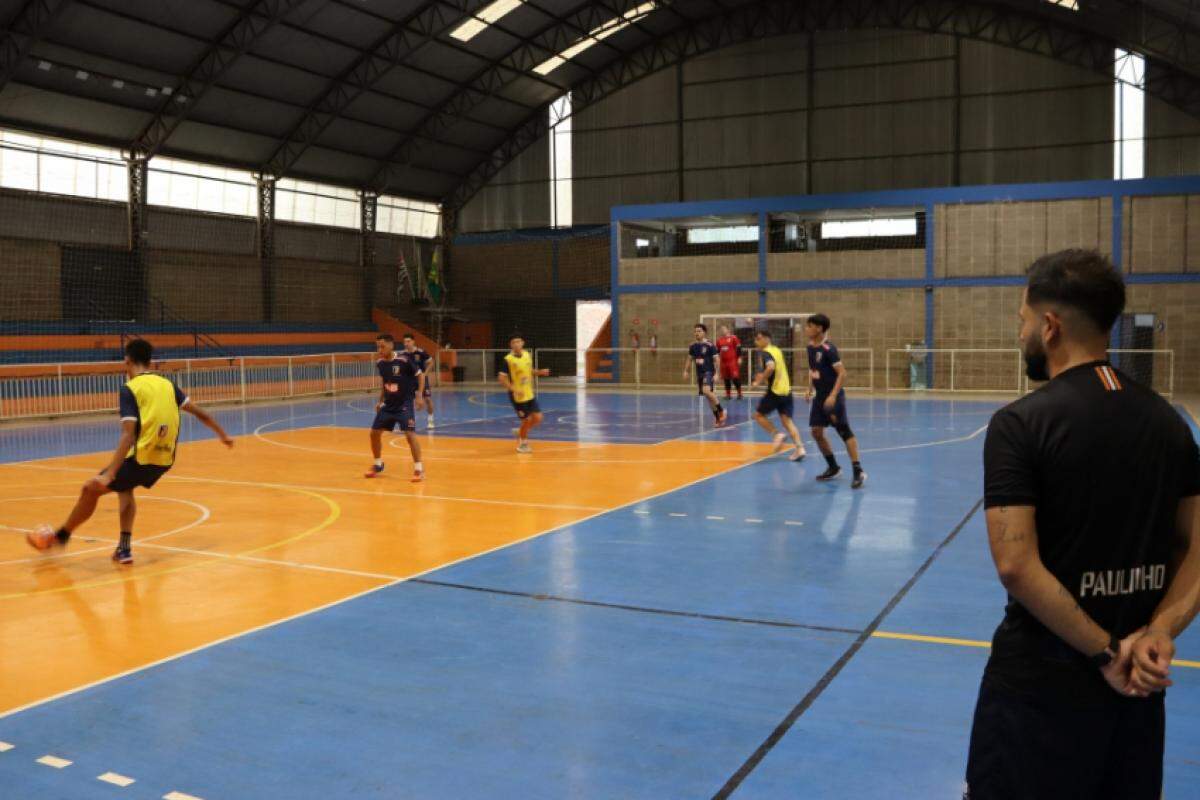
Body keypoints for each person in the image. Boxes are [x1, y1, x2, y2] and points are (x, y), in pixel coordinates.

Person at [964, 249, 1200, 800]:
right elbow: (1196, 547)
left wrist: (1105, 652)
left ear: (1049, 326)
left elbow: (1016, 565)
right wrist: (1159, 632)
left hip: (1039, 693)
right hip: (1139, 695)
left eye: (1023, 320)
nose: (1020, 332)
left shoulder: (1020, 425)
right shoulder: (1169, 422)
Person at [26, 338, 233, 564]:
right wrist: (223, 435)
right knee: (125, 490)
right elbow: (201, 413)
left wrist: (110, 473)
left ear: (127, 360)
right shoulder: (168, 385)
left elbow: (128, 434)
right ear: (149, 361)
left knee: (90, 488)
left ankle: (61, 537)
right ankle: (124, 550)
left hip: (141, 459)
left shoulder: (130, 389)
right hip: (163, 460)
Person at [803, 314, 865, 488]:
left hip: (833, 396)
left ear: (819, 329)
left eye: (809, 326)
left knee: (843, 431)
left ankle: (858, 470)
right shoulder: (810, 347)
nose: (806, 329)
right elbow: (813, 369)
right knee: (816, 432)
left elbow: (842, 373)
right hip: (819, 396)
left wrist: (832, 395)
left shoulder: (829, 349)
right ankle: (833, 467)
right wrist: (809, 388)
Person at [365, 333, 425, 481]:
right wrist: (380, 401)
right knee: (374, 433)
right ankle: (378, 464)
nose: (380, 349)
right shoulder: (380, 363)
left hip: (404, 404)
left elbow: (420, 375)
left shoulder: (404, 360)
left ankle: (419, 469)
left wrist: (419, 395)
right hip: (389, 404)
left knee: (410, 435)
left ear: (391, 345)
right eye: (378, 346)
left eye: (382, 346)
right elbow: (385, 383)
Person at [750, 330, 806, 461]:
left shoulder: (766, 352)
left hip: (775, 391)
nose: (756, 341)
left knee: (758, 415)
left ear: (767, 339)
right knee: (787, 421)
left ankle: (777, 434)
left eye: (759, 338)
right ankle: (800, 448)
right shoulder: (777, 350)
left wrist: (759, 380)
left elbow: (770, 367)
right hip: (787, 390)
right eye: (756, 339)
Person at [499, 335, 549, 453]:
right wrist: (514, 389)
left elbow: (529, 370)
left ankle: (521, 431)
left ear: (522, 343)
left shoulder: (527, 355)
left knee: (538, 418)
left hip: (528, 393)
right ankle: (523, 444)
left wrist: (539, 372)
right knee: (526, 420)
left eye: (518, 341)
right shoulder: (508, 359)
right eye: (514, 342)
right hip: (517, 396)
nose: (516, 344)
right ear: (511, 345)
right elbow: (502, 378)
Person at [683, 324, 726, 426]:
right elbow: (689, 359)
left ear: (704, 332)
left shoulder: (710, 345)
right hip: (700, 374)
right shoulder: (693, 346)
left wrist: (717, 374)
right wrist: (686, 371)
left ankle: (721, 411)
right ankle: (718, 419)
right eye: (695, 331)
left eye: (699, 331)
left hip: (709, 372)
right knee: (708, 397)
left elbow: (717, 360)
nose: (697, 333)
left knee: (706, 391)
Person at [402, 332, 435, 430]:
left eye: (408, 341)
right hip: (409, 381)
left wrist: (425, 373)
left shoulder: (421, 352)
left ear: (413, 341)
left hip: (421, 379)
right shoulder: (403, 354)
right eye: (405, 342)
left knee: (427, 399)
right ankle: (408, 422)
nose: (406, 343)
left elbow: (431, 362)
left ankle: (430, 420)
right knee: (408, 401)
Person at [716, 324, 744, 400]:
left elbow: (739, 348)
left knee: (735, 378)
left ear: (728, 330)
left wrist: (739, 358)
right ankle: (728, 395)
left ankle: (740, 394)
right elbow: (717, 352)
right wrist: (717, 359)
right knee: (726, 379)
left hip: (732, 362)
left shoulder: (733, 338)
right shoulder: (719, 340)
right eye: (721, 329)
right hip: (723, 363)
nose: (722, 331)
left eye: (724, 329)